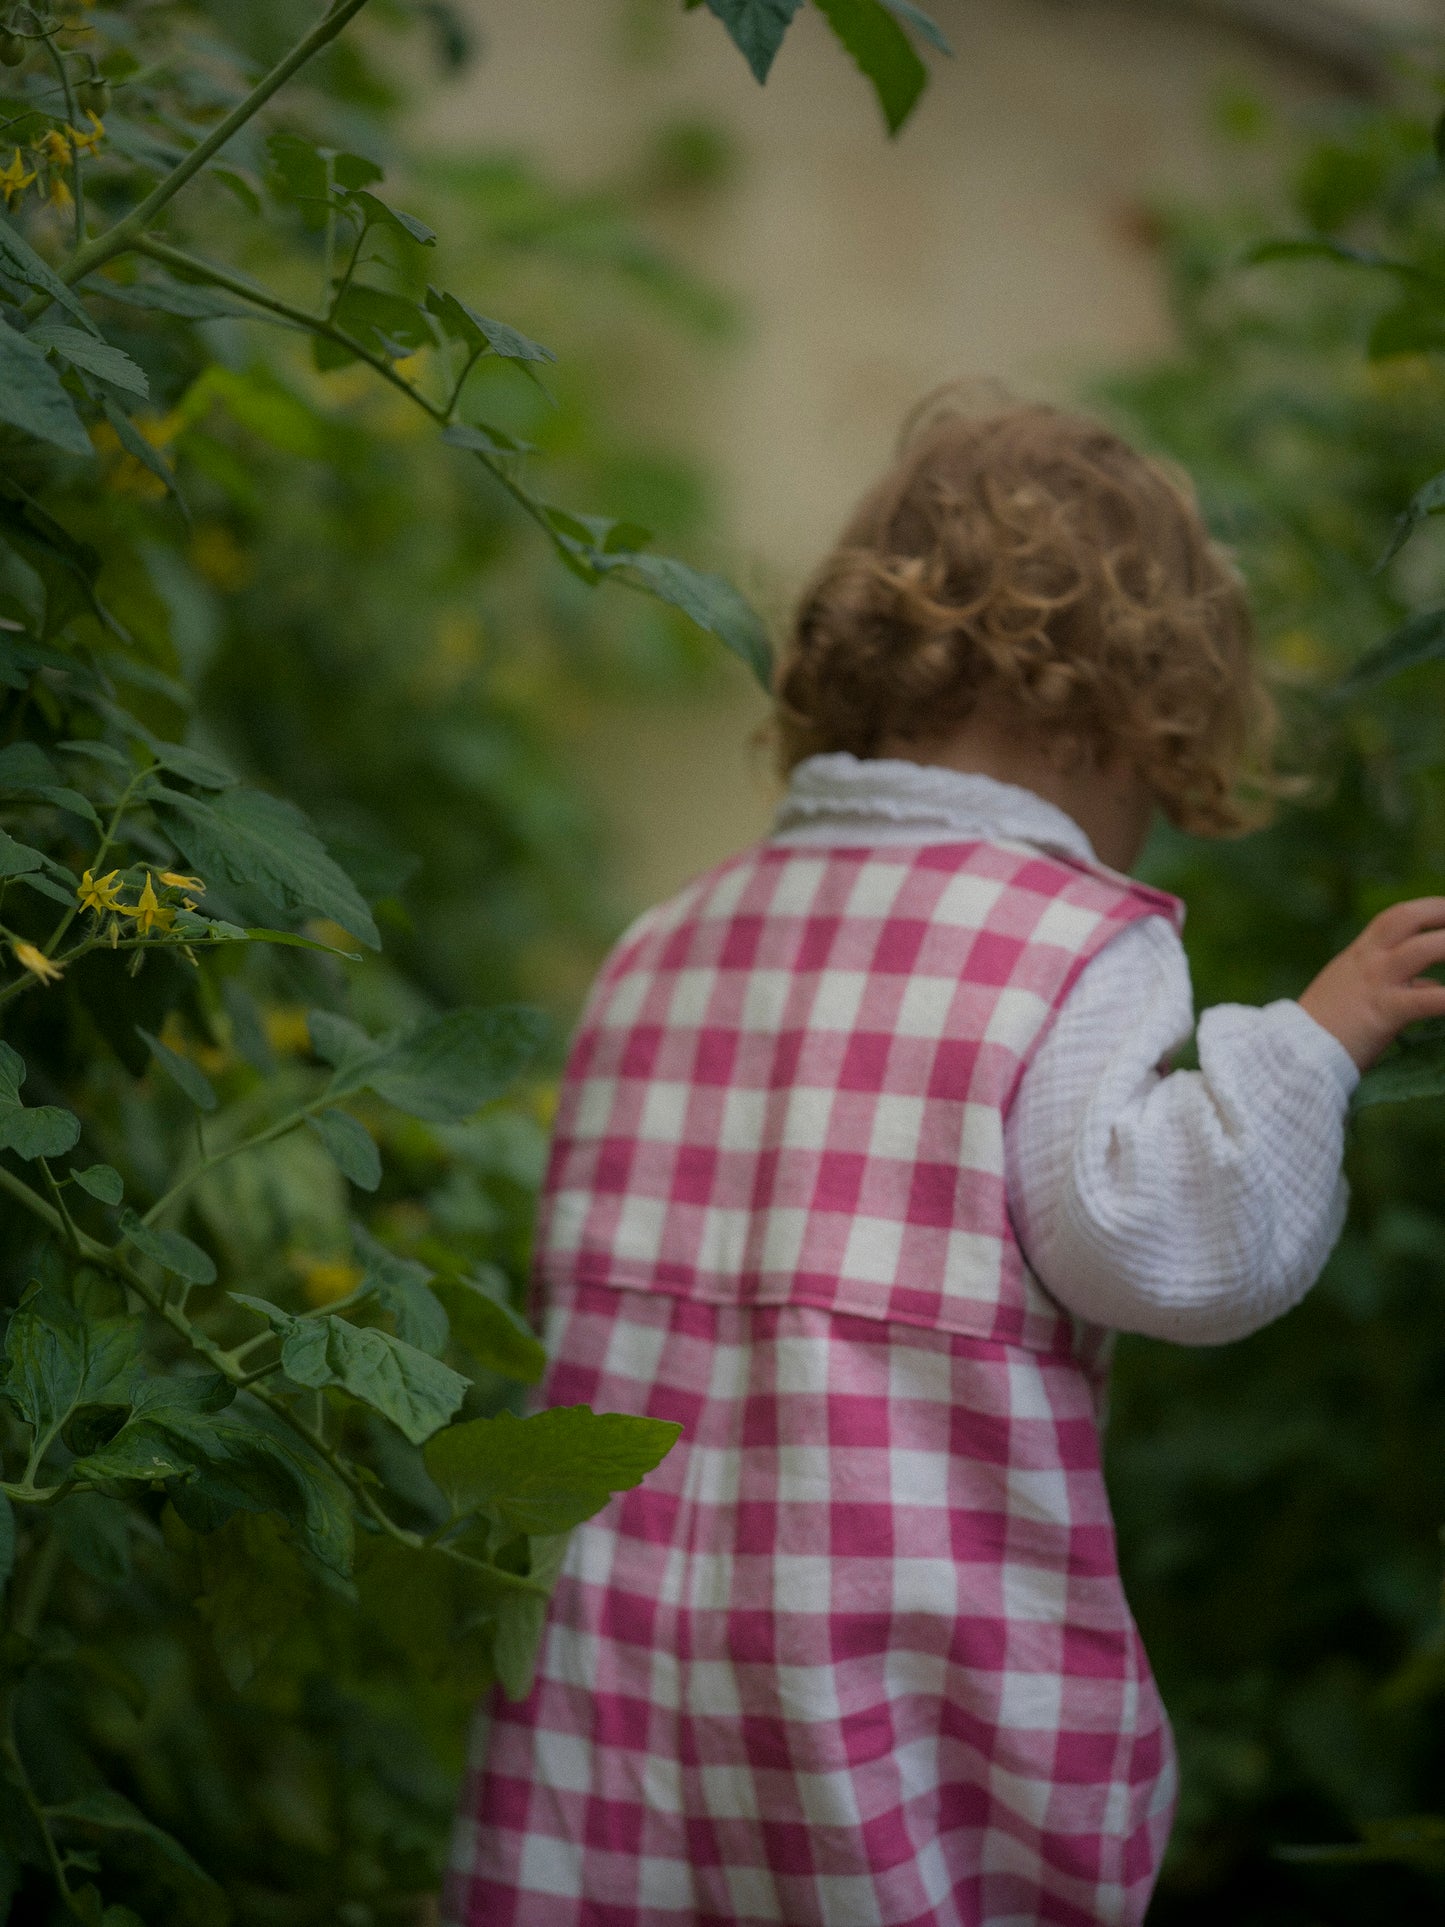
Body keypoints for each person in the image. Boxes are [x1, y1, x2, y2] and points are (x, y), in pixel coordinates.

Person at [444, 397, 1445, 1927]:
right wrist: (1308, 1046)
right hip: (887, 1707)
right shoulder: (1063, 939)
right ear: (1119, 714)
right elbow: (1163, 1244)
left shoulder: (662, 942)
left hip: (629, 1694)